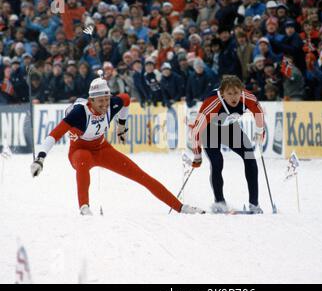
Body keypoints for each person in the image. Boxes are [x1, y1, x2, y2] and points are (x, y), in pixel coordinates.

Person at [30, 71, 204, 215]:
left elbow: (126, 99)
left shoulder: (112, 104)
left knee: (141, 176)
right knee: (83, 159)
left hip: (102, 149)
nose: (105, 104)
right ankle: (84, 208)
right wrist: (40, 159)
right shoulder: (78, 113)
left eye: (107, 99)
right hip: (79, 151)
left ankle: (181, 207)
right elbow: (53, 135)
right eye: (101, 101)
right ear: (91, 101)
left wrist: (121, 126)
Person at [190, 75, 265, 214]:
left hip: (230, 128)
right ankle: (219, 202)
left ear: (242, 90)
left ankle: (254, 203)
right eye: (229, 94)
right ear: (222, 93)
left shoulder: (247, 97)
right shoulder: (212, 102)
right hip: (210, 130)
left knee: (250, 157)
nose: (233, 97)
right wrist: (197, 156)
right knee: (217, 162)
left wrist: (260, 132)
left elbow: (259, 112)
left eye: (236, 93)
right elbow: (195, 131)